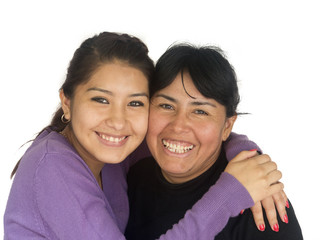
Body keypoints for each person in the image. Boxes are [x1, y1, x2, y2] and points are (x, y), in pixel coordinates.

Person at [4, 32, 284, 240]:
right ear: (67, 101)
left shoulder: (112, 153)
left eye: (135, 103)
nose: (118, 122)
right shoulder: (52, 168)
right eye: (101, 100)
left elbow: (184, 139)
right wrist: (229, 195)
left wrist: (246, 156)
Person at [125, 44, 303, 239]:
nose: (178, 126)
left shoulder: (258, 204)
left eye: (200, 111)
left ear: (227, 126)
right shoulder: (130, 180)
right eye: (166, 106)